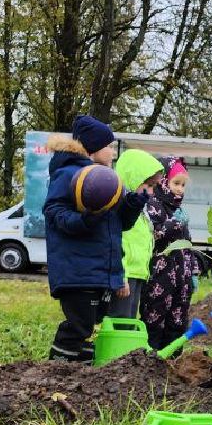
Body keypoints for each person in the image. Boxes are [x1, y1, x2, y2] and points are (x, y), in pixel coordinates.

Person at [43, 116, 148, 361]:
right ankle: (58, 367)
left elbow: (119, 224)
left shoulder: (107, 179)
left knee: (91, 325)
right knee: (79, 325)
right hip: (78, 269)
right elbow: (55, 213)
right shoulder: (69, 174)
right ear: (92, 147)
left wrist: (131, 205)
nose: (112, 152)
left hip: (99, 268)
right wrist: (85, 220)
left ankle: (82, 367)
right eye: (108, 146)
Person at [139, 158, 200, 350]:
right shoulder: (152, 205)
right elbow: (153, 236)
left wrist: (194, 271)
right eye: (176, 183)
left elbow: (187, 244)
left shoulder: (179, 210)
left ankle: (173, 361)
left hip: (182, 277)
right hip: (160, 277)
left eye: (183, 185)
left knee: (178, 320)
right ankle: (151, 359)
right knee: (155, 318)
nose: (180, 189)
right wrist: (174, 223)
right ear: (163, 182)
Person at [110, 147, 168, 321]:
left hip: (138, 274)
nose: (151, 192)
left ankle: (125, 349)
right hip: (126, 276)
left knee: (128, 321)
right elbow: (117, 243)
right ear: (133, 179)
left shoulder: (140, 209)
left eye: (154, 186)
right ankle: (116, 349)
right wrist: (121, 276)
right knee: (119, 321)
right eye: (148, 185)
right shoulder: (122, 208)